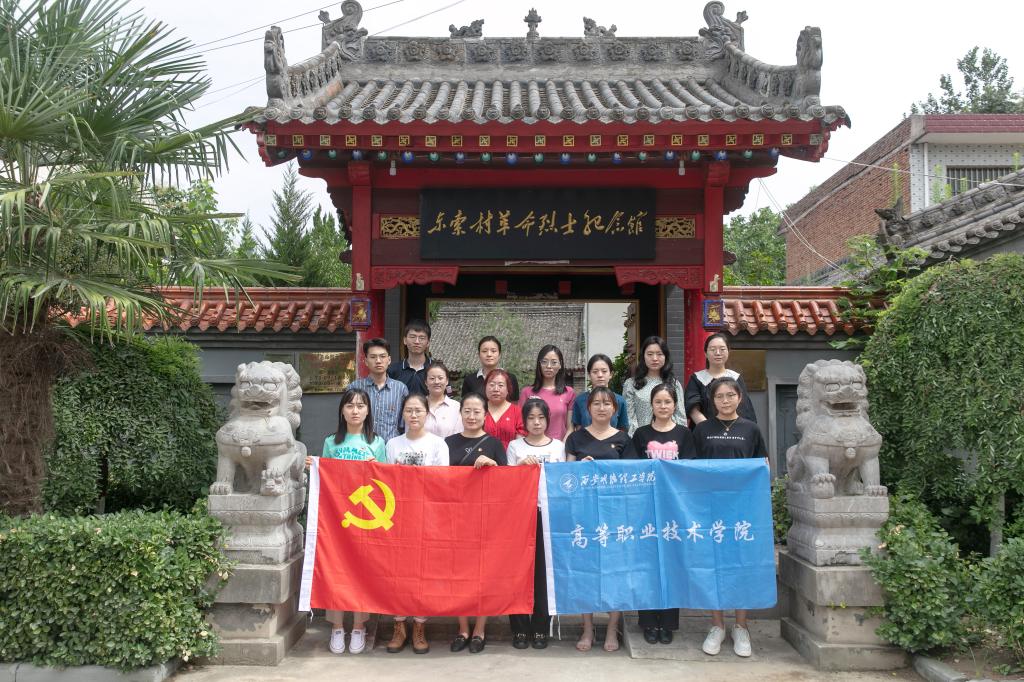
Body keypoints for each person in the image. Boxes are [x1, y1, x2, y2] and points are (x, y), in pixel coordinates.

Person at [305, 388, 386, 655]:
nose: (355, 410)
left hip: (365, 520)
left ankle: (360, 625)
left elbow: (386, 485)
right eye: (350, 406)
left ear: (368, 411)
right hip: (337, 520)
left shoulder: (377, 442)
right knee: (335, 569)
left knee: (362, 571)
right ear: (342, 410)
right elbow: (326, 479)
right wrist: (315, 466)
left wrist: (378, 468)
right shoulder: (331, 442)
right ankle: (338, 627)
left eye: (360, 406)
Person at [692, 377, 768, 659]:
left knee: (741, 565)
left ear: (739, 398)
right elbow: (691, 469)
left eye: (730, 395)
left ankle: (741, 627)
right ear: (712, 401)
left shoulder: (751, 429)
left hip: (742, 511)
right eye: (719, 396)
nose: (725, 401)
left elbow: (763, 467)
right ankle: (717, 626)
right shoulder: (702, 430)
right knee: (714, 566)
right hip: (710, 509)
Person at [564, 387, 637, 653]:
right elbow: (567, 479)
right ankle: (587, 627)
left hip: (615, 515)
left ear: (615, 410)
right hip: (584, 514)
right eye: (596, 403)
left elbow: (630, 479)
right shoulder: (576, 438)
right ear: (588, 408)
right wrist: (580, 469)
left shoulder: (624, 439)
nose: (602, 408)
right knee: (586, 571)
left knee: (615, 571)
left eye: (607, 404)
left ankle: (612, 627)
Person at [630, 383, 697, 646]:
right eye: (658, 402)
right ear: (651, 405)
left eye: (667, 402)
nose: (663, 406)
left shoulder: (684, 434)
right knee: (647, 565)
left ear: (675, 404)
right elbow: (631, 470)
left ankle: (668, 622)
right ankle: (648, 621)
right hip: (646, 508)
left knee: (671, 564)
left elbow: (690, 469)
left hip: (674, 508)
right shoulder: (641, 434)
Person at [384, 393, 449, 655]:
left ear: (426, 414)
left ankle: (420, 626)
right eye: (409, 410)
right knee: (397, 572)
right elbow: (384, 482)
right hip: (398, 517)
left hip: (427, 515)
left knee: (423, 571)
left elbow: (444, 481)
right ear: (402, 414)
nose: (413, 415)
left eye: (418, 411)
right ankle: (399, 625)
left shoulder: (438, 444)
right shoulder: (392, 444)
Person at [444, 393, 508, 654]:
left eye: (477, 411)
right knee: (457, 573)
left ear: (485, 415)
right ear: (460, 414)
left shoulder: (494, 444)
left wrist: (492, 466)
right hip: (455, 517)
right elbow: (438, 479)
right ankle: (462, 628)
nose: (471, 416)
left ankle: (480, 629)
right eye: (467, 411)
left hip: (485, 519)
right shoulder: (448, 443)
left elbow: (507, 484)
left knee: (483, 573)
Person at [506, 398, 565, 650]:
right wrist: (520, 467)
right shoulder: (515, 446)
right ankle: (519, 628)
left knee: (544, 573)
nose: (536, 422)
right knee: (518, 573)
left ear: (548, 420)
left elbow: (563, 481)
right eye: (531, 418)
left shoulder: (558, 447)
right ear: (524, 422)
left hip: (548, 516)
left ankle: (541, 627)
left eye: (541, 417)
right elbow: (506, 483)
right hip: (520, 516)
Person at [685, 333, 757, 425]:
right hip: (704, 430)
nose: (718, 353)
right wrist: (707, 429)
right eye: (713, 349)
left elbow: (745, 408)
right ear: (705, 353)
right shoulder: (697, 379)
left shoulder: (736, 378)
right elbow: (693, 410)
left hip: (734, 430)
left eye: (722, 349)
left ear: (728, 352)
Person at [623, 336, 686, 437]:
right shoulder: (631, 384)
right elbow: (630, 418)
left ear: (665, 356)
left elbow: (680, 416)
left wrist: (680, 438)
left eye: (659, 354)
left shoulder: (674, 384)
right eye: (650, 354)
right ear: (643, 356)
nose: (655, 358)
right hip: (641, 439)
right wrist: (638, 438)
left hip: (670, 439)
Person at [349, 338, 408, 442]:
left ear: (389, 360)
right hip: (362, 447)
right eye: (373, 357)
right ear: (366, 361)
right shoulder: (354, 387)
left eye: (382, 356)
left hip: (390, 447)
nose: (378, 361)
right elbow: (348, 420)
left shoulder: (400, 389)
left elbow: (405, 424)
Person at [519, 344, 575, 441]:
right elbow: (521, 425)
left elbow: (570, 427)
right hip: (532, 446)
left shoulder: (568, 392)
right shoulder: (526, 392)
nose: (549, 366)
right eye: (544, 362)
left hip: (559, 446)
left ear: (560, 365)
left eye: (554, 362)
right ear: (539, 364)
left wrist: (563, 445)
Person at [571, 353, 628, 431]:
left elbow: (622, 430)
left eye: (604, 371)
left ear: (611, 374)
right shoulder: (580, 400)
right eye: (595, 372)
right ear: (589, 375)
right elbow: (578, 429)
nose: (600, 375)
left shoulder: (620, 400)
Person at [461, 335, 521, 402]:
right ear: (479, 355)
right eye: (484, 351)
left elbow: (514, 404)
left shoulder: (510, 378)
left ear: (499, 355)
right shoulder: (469, 380)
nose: (489, 354)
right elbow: (465, 404)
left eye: (493, 351)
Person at [388, 319, 433, 395]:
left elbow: (447, 397)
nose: (417, 342)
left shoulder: (436, 369)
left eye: (422, 338)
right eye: (412, 337)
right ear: (405, 340)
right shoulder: (393, 370)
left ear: (428, 343)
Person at [483, 368, 525, 449]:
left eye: (500, 385)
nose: (496, 389)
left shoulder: (517, 412)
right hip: (482, 456)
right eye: (491, 385)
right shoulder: (479, 410)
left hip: (510, 456)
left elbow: (520, 445)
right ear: (485, 387)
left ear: (508, 389)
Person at [423, 361, 462, 438]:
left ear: (447, 381)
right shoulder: (418, 405)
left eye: (440, 378)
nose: (436, 382)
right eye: (432, 378)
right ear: (426, 382)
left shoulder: (456, 407)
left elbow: (459, 436)